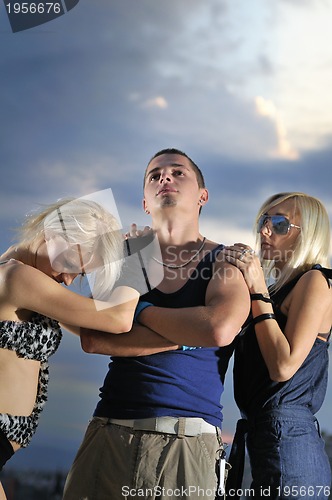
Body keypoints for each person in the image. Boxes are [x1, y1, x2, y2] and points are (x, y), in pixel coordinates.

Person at [62, 148, 251, 500]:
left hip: (186, 442)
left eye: (178, 173)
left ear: (202, 197)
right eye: (154, 175)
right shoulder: (127, 257)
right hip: (108, 430)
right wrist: (184, 337)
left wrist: (138, 311)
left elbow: (218, 330)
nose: (165, 177)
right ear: (145, 203)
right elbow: (94, 338)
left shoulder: (224, 260)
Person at [0, 197, 139, 499]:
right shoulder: (16, 276)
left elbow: (90, 330)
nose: (68, 279)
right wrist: (139, 261)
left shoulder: (27, 276)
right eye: (72, 265)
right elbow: (118, 319)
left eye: (80, 274)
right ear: (53, 232)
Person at [223, 192, 332, 499]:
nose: (265, 230)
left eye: (280, 223)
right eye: (263, 220)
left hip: (290, 440)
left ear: (307, 234)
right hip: (262, 437)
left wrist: (257, 287)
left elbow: (283, 366)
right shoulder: (272, 292)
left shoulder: (315, 281)